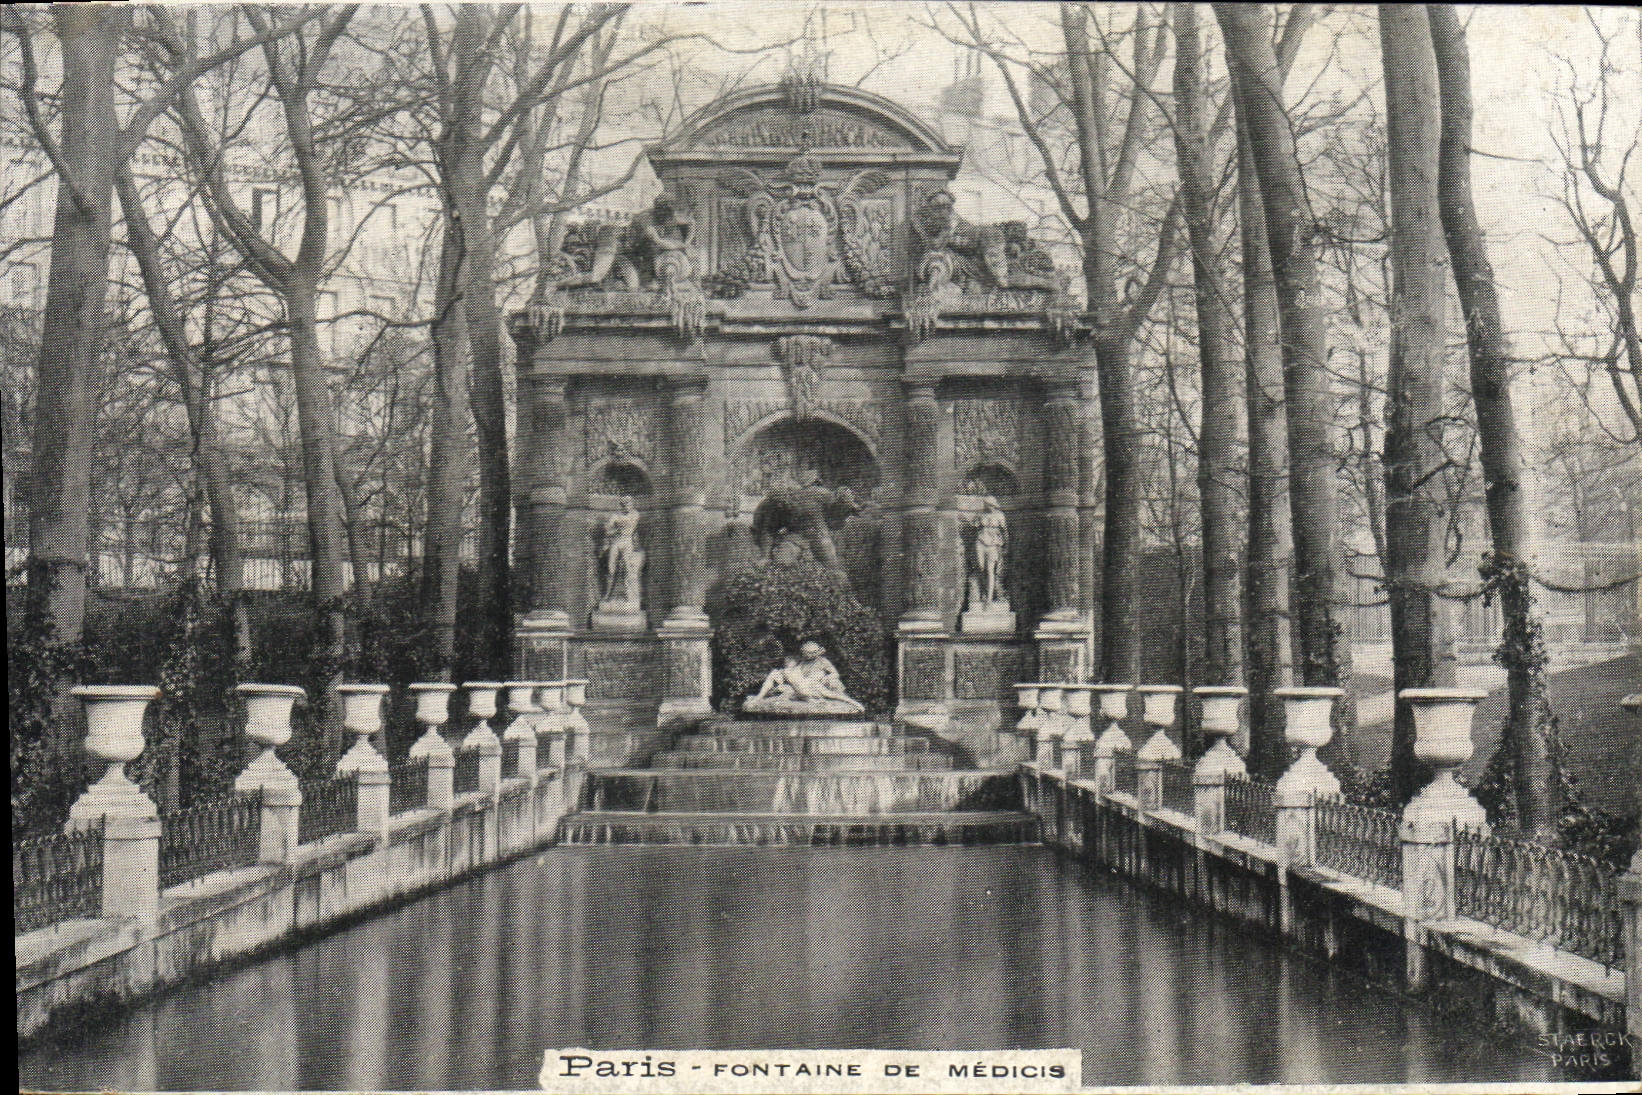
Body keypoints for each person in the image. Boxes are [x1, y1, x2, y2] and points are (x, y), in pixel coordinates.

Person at [601, 496, 642, 604]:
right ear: (621, 505)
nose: (626, 506)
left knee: (628, 568)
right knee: (611, 567)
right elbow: (607, 529)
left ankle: (630, 596)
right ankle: (607, 594)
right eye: (624, 504)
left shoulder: (635, 514)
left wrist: (619, 526)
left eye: (628, 504)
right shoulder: (616, 515)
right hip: (617, 541)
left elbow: (633, 525)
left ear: (631, 505)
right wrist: (615, 530)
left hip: (627, 542)